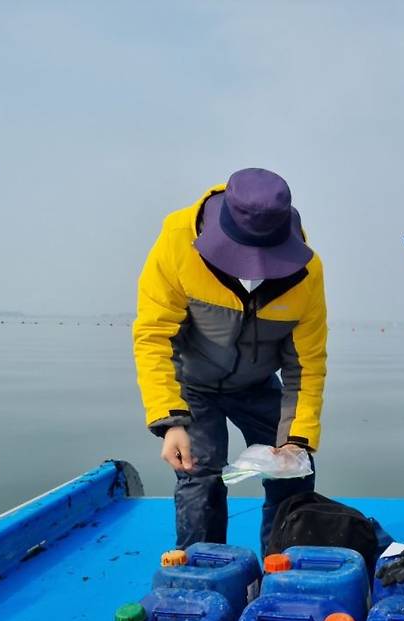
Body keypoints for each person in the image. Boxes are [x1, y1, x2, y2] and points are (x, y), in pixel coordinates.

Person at [133, 168, 327, 555]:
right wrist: (170, 421)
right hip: (195, 383)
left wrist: (296, 439)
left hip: (257, 384)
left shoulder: (307, 272)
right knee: (198, 474)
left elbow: (305, 366)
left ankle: (281, 566)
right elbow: (154, 336)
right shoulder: (176, 242)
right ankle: (203, 569)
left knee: (295, 471)